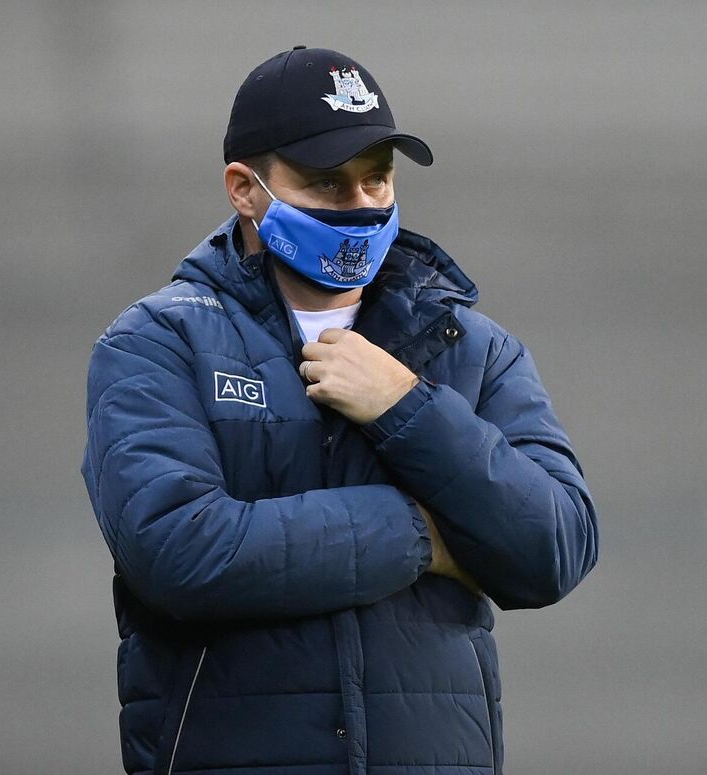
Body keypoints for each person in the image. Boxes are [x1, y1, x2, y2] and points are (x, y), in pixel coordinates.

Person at [81, 47, 598, 775]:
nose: (361, 204)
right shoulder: (158, 341)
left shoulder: (474, 348)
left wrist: (405, 406)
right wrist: (424, 534)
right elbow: (178, 552)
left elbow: (555, 547)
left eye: (376, 178)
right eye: (327, 183)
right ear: (245, 189)